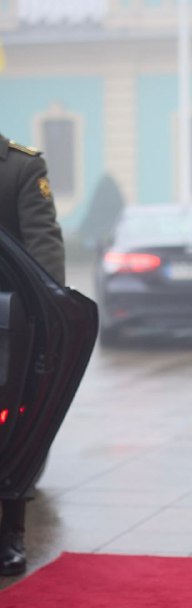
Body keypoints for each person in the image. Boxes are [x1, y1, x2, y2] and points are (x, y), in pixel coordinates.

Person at [0, 132, 65, 576]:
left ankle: (10, 536)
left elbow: (42, 246)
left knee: (13, 428)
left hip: (6, 323)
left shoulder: (19, 167)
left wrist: (50, 316)